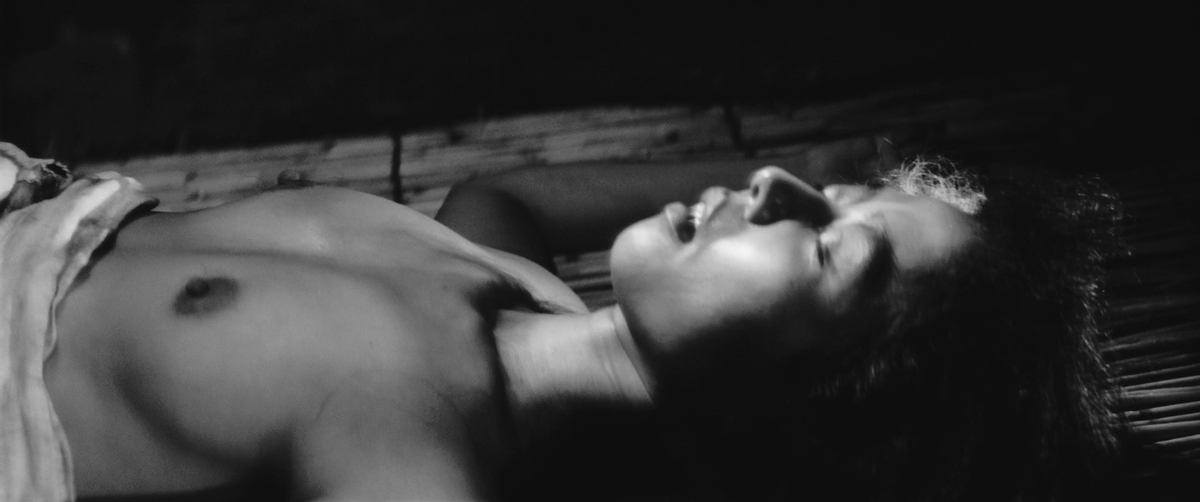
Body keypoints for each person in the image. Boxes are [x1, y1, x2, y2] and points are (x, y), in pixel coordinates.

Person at [0, 135, 1117, 501]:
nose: (776, 184)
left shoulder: (414, 453)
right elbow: (501, 195)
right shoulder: (526, 291)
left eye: (829, 245)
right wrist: (809, 170)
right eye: (837, 187)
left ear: (815, 404)